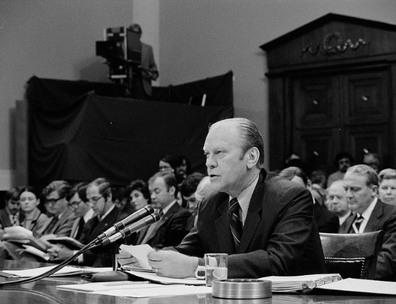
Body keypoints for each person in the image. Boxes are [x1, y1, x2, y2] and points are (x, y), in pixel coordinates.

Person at [147, 117, 326, 278]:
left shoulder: (290, 197)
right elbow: (186, 252)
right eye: (207, 154)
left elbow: (278, 260)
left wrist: (199, 266)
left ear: (251, 157)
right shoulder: (211, 203)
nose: (209, 162)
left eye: (219, 152)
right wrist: (149, 259)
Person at [340, 164, 396, 281]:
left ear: (374, 190)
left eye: (355, 189)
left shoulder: (392, 215)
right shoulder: (347, 222)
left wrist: (351, 276)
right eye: (346, 189)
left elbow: (389, 259)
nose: (349, 195)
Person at [48, 178, 121, 266]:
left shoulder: (120, 220)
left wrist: (72, 254)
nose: (91, 204)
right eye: (88, 200)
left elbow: (108, 256)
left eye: (95, 199)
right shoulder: (91, 222)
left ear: (109, 196)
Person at [133, 171, 190, 249]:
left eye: (157, 191)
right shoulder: (151, 215)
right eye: (151, 192)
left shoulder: (181, 214)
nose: (152, 196)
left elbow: (171, 246)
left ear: (171, 190)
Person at [279, 166, 339, 233]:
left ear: (309, 185)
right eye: (286, 192)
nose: (292, 196)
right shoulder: (278, 216)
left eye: (297, 190)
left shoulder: (327, 219)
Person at [127, 23, 158, 99]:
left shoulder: (147, 49)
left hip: (143, 83)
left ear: (140, 34)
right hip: (128, 84)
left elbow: (153, 65)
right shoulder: (125, 48)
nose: (135, 35)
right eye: (133, 33)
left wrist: (151, 73)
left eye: (137, 33)